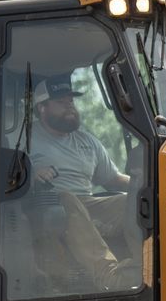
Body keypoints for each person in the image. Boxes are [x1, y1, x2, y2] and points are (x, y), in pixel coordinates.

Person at [27, 76, 141, 289]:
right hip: (50, 207)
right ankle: (108, 275)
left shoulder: (86, 141)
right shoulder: (25, 136)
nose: (69, 106)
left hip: (88, 205)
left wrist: (145, 183)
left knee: (134, 202)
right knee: (67, 199)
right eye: (61, 102)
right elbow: (6, 175)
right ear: (42, 108)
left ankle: (143, 266)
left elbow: (113, 179)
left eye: (71, 101)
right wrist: (32, 175)